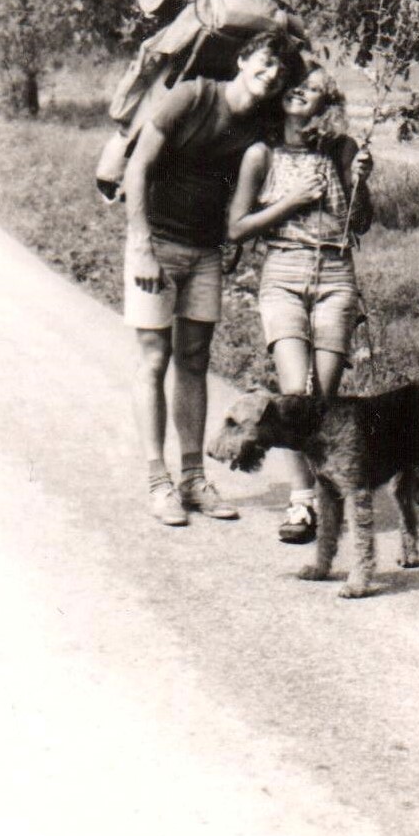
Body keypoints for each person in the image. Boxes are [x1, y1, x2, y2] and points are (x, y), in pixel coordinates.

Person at [124, 30, 306, 526]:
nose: (272, 75)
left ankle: (192, 478)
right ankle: (158, 482)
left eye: (281, 71)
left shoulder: (261, 122)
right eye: (265, 62)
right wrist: (141, 245)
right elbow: (138, 167)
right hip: (157, 245)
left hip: (205, 252)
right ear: (243, 59)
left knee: (194, 360)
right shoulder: (194, 96)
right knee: (154, 359)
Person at [226, 60, 374, 543]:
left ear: (326, 102)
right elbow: (237, 227)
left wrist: (361, 182)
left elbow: (361, 222)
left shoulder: (341, 149)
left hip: (335, 272)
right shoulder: (261, 154)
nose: (299, 92)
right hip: (283, 273)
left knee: (323, 401)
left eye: (312, 88)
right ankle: (301, 503)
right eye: (294, 86)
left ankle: (329, 501)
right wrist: (290, 201)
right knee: (293, 396)